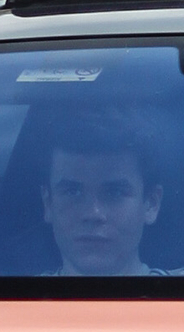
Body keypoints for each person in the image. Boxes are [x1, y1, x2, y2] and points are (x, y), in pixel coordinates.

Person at [43, 116, 164, 275]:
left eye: (115, 192)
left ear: (151, 204)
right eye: (72, 192)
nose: (93, 214)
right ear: (48, 204)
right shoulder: (13, 296)